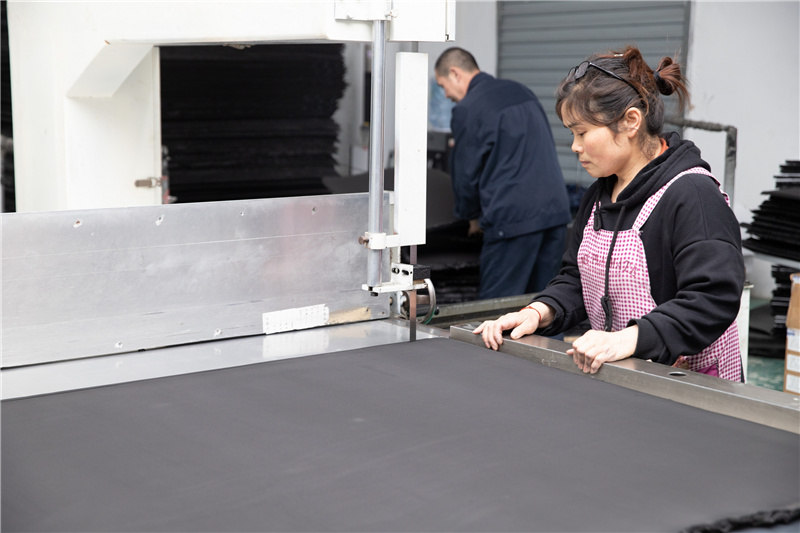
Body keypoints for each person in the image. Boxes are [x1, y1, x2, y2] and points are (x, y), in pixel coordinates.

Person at [474, 45, 745, 381]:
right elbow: (578, 278)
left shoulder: (692, 195)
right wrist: (539, 311)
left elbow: (712, 298)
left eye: (582, 132)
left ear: (630, 121)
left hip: (690, 387)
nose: (575, 146)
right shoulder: (600, 196)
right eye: (572, 134)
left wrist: (630, 339)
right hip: (626, 378)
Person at [435, 47, 571, 300]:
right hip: (554, 215)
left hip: (512, 221)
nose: (446, 95)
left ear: (455, 73)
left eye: (443, 86)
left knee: (497, 308)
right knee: (544, 305)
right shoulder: (521, 91)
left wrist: (470, 216)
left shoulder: (468, 108)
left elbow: (465, 173)